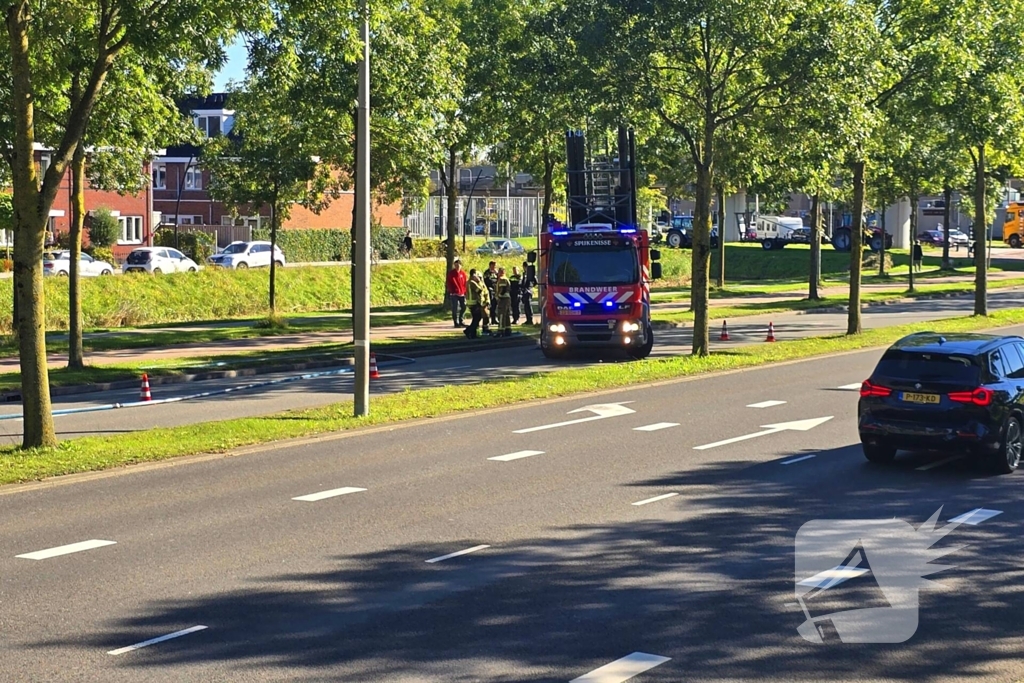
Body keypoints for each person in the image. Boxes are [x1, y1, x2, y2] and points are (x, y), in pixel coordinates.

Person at [464, 269, 488, 338]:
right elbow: (479, 290)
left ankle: (472, 334)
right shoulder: (472, 282)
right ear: (473, 275)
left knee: (475, 318)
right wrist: (479, 281)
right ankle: (468, 330)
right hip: (474, 303)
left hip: (470, 302)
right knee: (477, 318)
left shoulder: (468, 282)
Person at [445, 258, 467, 328]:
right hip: (454, 294)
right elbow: (449, 283)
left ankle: (461, 320)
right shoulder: (451, 274)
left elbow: (465, 283)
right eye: (456, 265)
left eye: (458, 265)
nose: (457, 267)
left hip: (462, 293)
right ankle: (456, 322)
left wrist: (465, 291)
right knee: (455, 308)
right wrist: (452, 290)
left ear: (461, 265)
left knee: (463, 307)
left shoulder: (463, 274)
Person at [495, 267, 513, 336]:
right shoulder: (506, 278)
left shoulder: (502, 279)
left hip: (503, 299)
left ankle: (501, 330)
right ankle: (508, 329)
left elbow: (503, 289)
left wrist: (499, 296)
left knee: (502, 314)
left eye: (499, 272)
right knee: (507, 314)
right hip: (507, 298)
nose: (498, 273)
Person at [483, 260, 499, 326]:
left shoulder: (496, 273)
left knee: (495, 305)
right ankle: (488, 320)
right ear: (490, 265)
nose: (494, 267)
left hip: (495, 291)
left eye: (495, 266)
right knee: (490, 305)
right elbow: (486, 281)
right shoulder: (487, 273)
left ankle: (494, 319)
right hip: (489, 291)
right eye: (493, 266)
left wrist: (497, 274)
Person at [520, 260, 536, 326]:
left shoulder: (530, 273)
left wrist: (530, 287)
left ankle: (530, 319)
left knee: (528, 305)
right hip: (524, 291)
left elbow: (535, 281)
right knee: (526, 306)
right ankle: (527, 319)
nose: (524, 268)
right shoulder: (524, 273)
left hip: (528, 291)